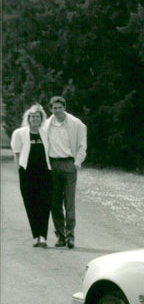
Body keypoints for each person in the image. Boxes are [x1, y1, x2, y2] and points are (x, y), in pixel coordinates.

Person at [43, 96, 87, 249]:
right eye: (54, 108)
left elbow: (82, 145)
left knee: (69, 202)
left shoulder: (76, 124)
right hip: (53, 165)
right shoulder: (47, 125)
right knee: (55, 203)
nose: (57, 111)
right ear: (51, 109)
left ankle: (70, 237)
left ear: (64, 107)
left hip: (69, 164)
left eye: (59, 108)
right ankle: (60, 236)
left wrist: (77, 162)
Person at [10, 103, 53, 247]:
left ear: (42, 118)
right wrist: (19, 171)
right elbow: (16, 153)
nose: (35, 119)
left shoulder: (46, 133)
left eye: (37, 117)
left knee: (44, 204)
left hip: (45, 173)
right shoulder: (19, 133)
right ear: (28, 118)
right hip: (27, 173)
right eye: (32, 117)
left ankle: (43, 237)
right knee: (31, 204)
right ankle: (36, 236)